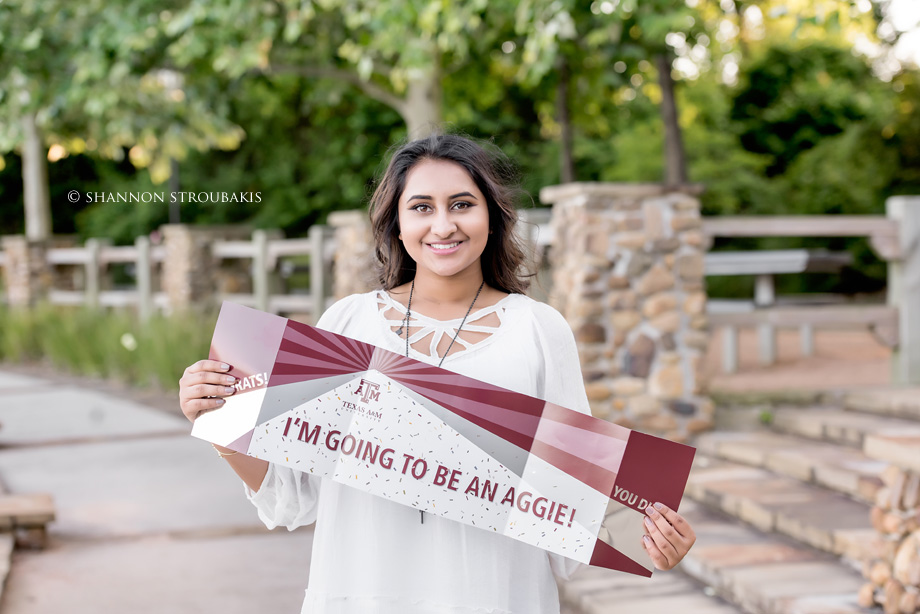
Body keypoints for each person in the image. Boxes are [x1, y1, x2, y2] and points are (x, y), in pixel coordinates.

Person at [179, 134, 696, 614]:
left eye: (462, 205)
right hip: (361, 594)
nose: (443, 225)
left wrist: (651, 541)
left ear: (492, 218)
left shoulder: (539, 330)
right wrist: (222, 425)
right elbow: (293, 495)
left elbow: (572, 499)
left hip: (496, 596)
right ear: (396, 224)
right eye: (421, 207)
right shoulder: (348, 324)